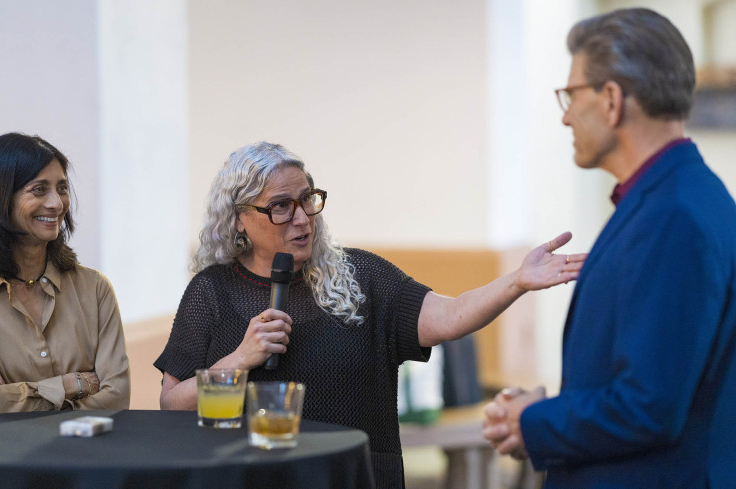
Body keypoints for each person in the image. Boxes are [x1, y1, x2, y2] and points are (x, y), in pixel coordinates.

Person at [154, 141, 585, 488]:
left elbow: (451, 316)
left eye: (307, 199)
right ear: (239, 221)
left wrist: (517, 281)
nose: (302, 219)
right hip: (251, 479)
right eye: (281, 206)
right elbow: (171, 405)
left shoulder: (363, 277)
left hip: (356, 477)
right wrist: (239, 360)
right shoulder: (211, 292)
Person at [482, 8, 736, 489]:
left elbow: (649, 407)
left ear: (612, 100)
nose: (564, 115)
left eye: (571, 94)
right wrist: (546, 410)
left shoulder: (672, 217)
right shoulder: (678, 197)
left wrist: (533, 420)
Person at [0, 132, 130, 413]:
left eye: (61, 188)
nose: (57, 203)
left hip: (87, 455)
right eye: (39, 190)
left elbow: (118, 398)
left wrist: (10, 396)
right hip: (5, 455)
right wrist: (72, 384)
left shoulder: (95, 288)